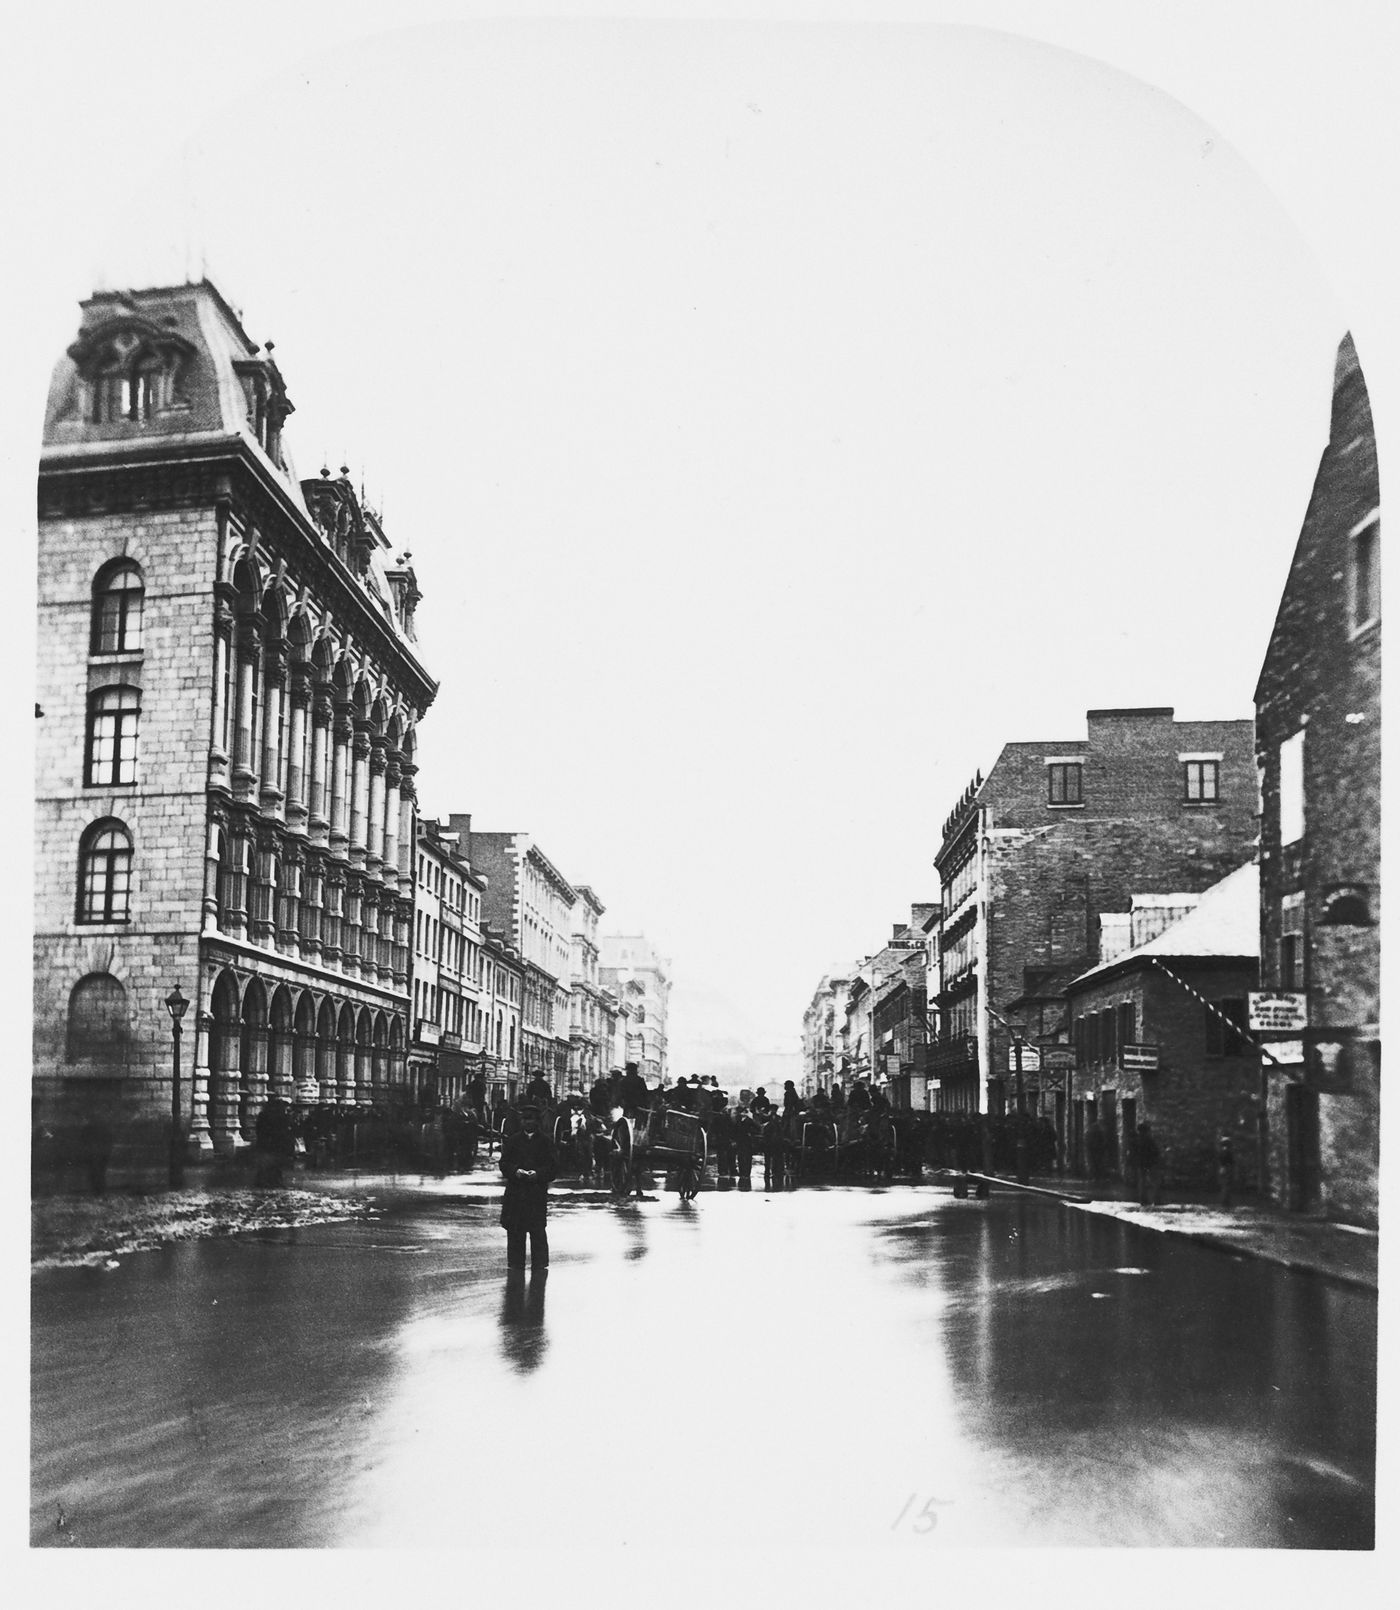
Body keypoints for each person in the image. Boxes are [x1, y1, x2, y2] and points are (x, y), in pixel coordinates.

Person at [499, 1106, 558, 1270]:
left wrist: (538, 1174)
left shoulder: (546, 1142)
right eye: (525, 1118)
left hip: (535, 1193)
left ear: (538, 1121)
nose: (527, 1122)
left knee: (537, 1230)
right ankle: (515, 1264)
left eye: (531, 1118)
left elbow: (553, 1168)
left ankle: (539, 1264)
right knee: (515, 1230)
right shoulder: (513, 1140)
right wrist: (515, 1171)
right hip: (516, 1192)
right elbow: (504, 1163)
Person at [254, 1096, 298, 1188]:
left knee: (268, 1165)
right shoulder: (279, 1117)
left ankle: (267, 1182)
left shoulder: (264, 1115)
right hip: (274, 1145)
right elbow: (284, 1130)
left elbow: (259, 1129)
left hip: (267, 1144)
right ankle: (272, 1182)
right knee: (273, 1165)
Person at [1135, 1121, 1162, 1206]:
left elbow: (1134, 1153)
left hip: (1141, 1163)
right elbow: (1155, 1151)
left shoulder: (1137, 1140)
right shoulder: (1149, 1140)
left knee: (1142, 1182)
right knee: (1155, 1181)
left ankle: (1143, 1200)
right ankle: (1156, 1200)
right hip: (1151, 1163)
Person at [1217, 1133, 1235, 1209]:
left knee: (1225, 1185)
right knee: (1227, 1185)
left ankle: (1225, 1201)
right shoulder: (1227, 1151)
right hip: (1227, 1168)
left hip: (1223, 1168)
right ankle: (1226, 1202)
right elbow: (1231, 1161)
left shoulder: (1222, 1151)